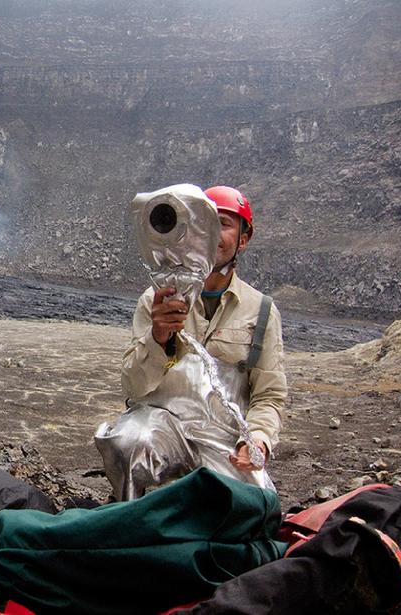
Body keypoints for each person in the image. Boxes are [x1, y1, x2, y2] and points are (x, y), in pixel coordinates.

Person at [120, 186, 287, 478]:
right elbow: (133, 388)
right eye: (205, 222)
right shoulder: (155, 300)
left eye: (223, 224)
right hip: (162, 432)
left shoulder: (261, 310)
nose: (211, 233)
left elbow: (269, 395)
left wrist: (258, 437)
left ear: (243, 239)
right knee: (130, 441)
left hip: (224, 443)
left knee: (249, 503)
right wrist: (159, 337)